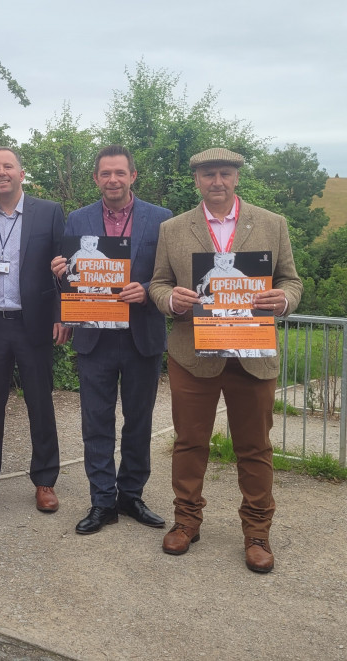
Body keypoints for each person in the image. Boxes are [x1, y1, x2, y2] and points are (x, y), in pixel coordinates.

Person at [149, 147, 302, 573]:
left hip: (251, 354)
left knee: (254, 447)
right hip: (193, 354)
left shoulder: (272, 224)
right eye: (208, 174)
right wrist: (170, 299)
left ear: (236, 178)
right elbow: (159, 283)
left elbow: (291, 279)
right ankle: (186, 521)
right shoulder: (173, 229)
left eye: (225, 174)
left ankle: (257, 532)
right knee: (189, 442)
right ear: (196, 179)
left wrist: (285, 298)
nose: (217, 181)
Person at [51, 145, 173, 535]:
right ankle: (102, 501)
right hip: (95, 337)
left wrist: (149, 287)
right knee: (95, 423)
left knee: (138, 421)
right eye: (105, 174)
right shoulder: (78, 218)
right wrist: (60, 275)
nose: (113, 180)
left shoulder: (162, 220)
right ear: (96, 178)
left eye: (120, 173)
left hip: (142, 335)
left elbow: (174, 275)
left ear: (133, 175)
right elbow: (72, 278)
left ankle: (131, 495)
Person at [0, 147, 70, 510]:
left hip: (34, 323)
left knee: (41, 403)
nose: (2, 172)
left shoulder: (48, 212)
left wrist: (62, 313)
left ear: (21, 173)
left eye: (8, 166)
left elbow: (64, 269)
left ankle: (45, 480)